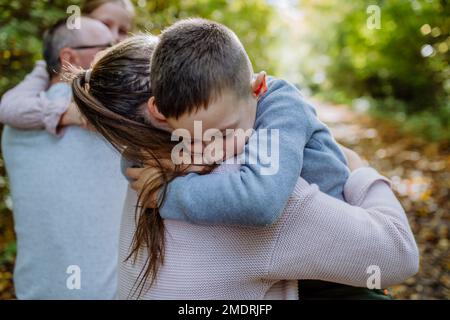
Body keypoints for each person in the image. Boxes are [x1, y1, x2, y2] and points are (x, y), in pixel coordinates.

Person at [70, 35, 419, 299]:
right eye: (214, 135)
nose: (223, 146)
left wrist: (166, 188)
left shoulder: (146, 169)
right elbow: (400, 256)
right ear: (164, 110)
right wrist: (361, 170)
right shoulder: (244, 182)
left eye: (225, 133)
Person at [1, 17, 127, 299]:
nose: (116, 50)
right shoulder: (113, 116)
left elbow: (9, 106)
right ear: (69, 57)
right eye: (107, 46)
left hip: (34, 289)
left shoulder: (14, 128)